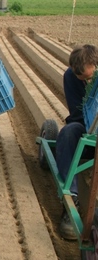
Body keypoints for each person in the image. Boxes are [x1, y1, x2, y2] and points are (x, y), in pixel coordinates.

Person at [57, 44, 97, 240]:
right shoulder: (71, 76)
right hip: (87, 126)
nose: (86, 81)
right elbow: (78, 113)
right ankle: (70, 198)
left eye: (90, 79)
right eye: (83, 79)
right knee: (68, 133)